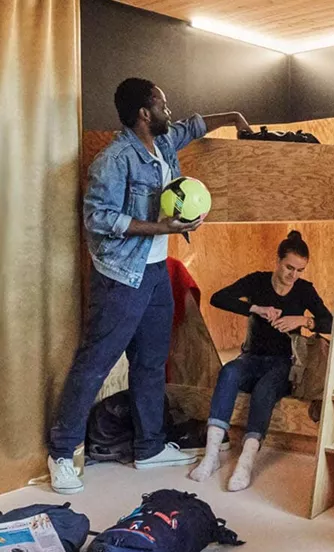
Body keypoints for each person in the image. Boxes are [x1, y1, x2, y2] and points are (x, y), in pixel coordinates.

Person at [45, 78, 252, 495]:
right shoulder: (115, 159)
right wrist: (163, 226)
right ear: (145, 112)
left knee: (151, 362)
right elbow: (98, 219)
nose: (168, 110)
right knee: (94, 363)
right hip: (122, 277)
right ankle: (62, 453)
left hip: (157, 273)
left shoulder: (164, 143)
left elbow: (193, 126)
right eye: (162, 103)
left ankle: (149, 446)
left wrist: (233, 118)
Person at [189, 230, 334, 491]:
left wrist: (303, 320)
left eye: (300, 270)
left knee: (266, 388)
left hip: (285, 362)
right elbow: (218, 298)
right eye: (289, 267)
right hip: (251, 356)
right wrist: (255, 308)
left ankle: (246, 460)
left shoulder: (304, 290)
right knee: (229, 372)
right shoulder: (257, 281)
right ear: (277, 261)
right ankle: (211, 455)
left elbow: (330, 320)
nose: (293, 275)